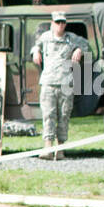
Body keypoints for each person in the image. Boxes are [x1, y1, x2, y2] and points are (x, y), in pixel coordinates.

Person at [30, 11, 87, 159]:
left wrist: (79, 49)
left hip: (65, 83)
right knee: (48, 115)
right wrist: (36, 51)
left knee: (64, 116)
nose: (60, 25)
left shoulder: (71, 39)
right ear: (52, 23)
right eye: (57, 22)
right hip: (49, 82)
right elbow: (35, 45)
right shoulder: (45, 38)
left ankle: (60, 149)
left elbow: (87, 45)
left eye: (62, 22)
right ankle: (48, 147)